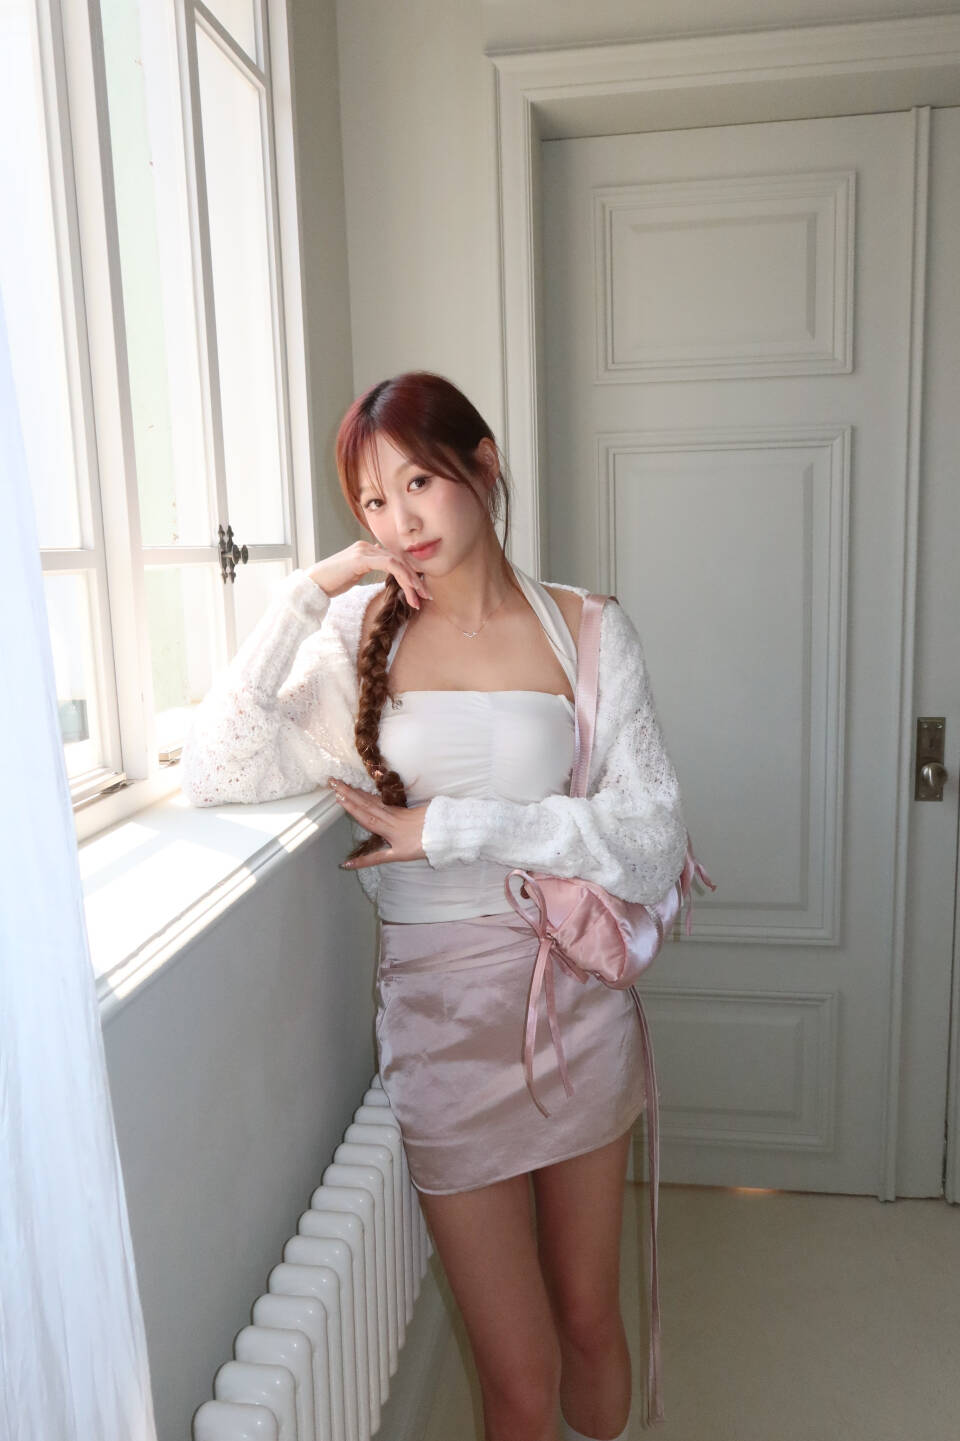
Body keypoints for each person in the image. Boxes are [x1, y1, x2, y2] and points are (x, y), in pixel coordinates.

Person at [180, 371, 694, 1441]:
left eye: (418, 482)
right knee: (517, 1372)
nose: (398, 521)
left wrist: (455, 827)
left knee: (589, 1317)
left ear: (483, 465)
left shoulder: (589, 629)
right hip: (439, 1027)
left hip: (572, 1005)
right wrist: (308, 590)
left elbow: (651, 841)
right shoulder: (356, 634)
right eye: (373, 500)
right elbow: (218, 765)